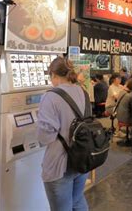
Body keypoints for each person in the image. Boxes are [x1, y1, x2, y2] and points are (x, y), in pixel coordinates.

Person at [37, 57, 91, 211]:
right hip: (81, 159)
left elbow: (45, 137)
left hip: (59, 166)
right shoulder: (83, 91)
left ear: (54, 75)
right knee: (77, 201)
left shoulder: (51, 96)